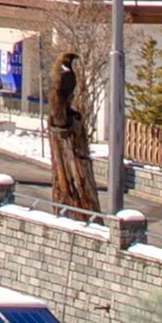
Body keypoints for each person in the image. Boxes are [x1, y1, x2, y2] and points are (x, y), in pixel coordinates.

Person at [46, 52, 98, 212]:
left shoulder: (60, 73)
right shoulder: (63, 75)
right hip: (61, 116)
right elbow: (61, 95)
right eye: (69, 61)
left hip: (62, 112)